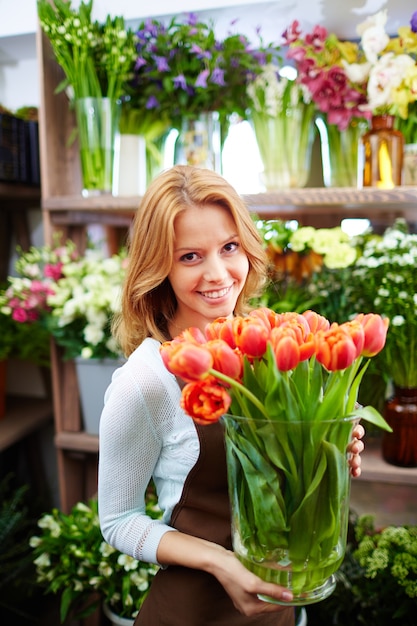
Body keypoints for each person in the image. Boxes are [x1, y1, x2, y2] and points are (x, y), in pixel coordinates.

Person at [98, 165, 365, 625]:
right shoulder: (144, 381)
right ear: (157, 266)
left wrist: (324, 455)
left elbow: (274, 484)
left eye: (229, 247)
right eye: (190, 257)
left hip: (280, 609)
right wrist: (222, 562)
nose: (218, 273)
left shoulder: (270, 349)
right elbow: (118, 521)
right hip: (194, 611)